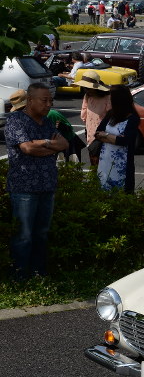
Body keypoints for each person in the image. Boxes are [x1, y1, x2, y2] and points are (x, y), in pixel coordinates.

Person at [4, 83, 69, 281]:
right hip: (24, 188)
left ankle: (39, 273)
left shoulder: (48, 122)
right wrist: (50, 144)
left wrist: (42, 144)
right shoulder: (16, 120)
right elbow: (27, 149)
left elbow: (64, 144)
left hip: (47, 184)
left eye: (50, 100)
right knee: (24, 235)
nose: (49, 104)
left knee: (42, 233)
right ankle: (20, 276)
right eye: (44, 100)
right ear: (30, 101)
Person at [95, 86, 141, 193]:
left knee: (121, 193)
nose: (109, 101)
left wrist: (105, 135)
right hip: (105, 162)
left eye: (111, 99)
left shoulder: (133, 118)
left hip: (122, 165)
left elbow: (125, 141)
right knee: (103, 191)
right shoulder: (111, 114)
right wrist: (114, 138)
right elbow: (97, 133)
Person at [77, 70, 112, 165]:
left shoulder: (107, 97)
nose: (86, 90)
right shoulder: (87, 96)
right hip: (90, 134)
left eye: (88, 88)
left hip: (103, 135)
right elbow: (83, 116)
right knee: (94, 164)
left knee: (103, 165)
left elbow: (111, 116)